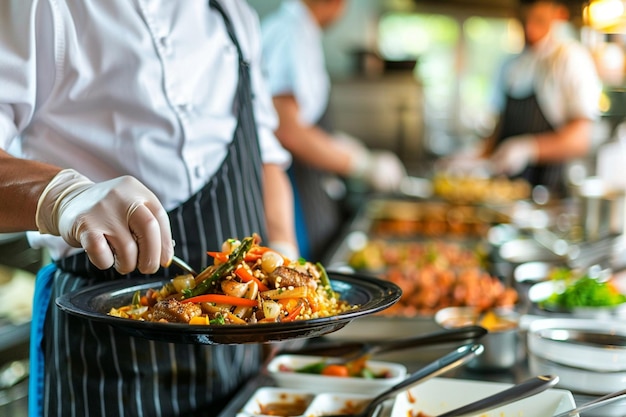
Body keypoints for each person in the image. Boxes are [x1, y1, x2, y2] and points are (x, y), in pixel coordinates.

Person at [0, 1, 298, 416]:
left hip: (243, 353)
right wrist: (60, 196)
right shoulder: (41, 8)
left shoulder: (232, 12)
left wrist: (284, 258)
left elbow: (264, 157)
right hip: (109, 360)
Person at [260, 0, 407, 261]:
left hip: (309, 185)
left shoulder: (301, 33)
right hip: (291, 187)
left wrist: (341, 146)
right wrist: (361, 164)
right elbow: (287, 129)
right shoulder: (289, 35)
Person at [481, 0, 601, 198]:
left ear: (559, 16)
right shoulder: (511, 65)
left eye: (539, 20)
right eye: (523, 21)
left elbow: (580, 139)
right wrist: (473, 158)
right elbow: (496, 134)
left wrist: (528, 148)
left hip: (547, 197)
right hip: (501, 193)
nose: (529, 29)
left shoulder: (570, 58)